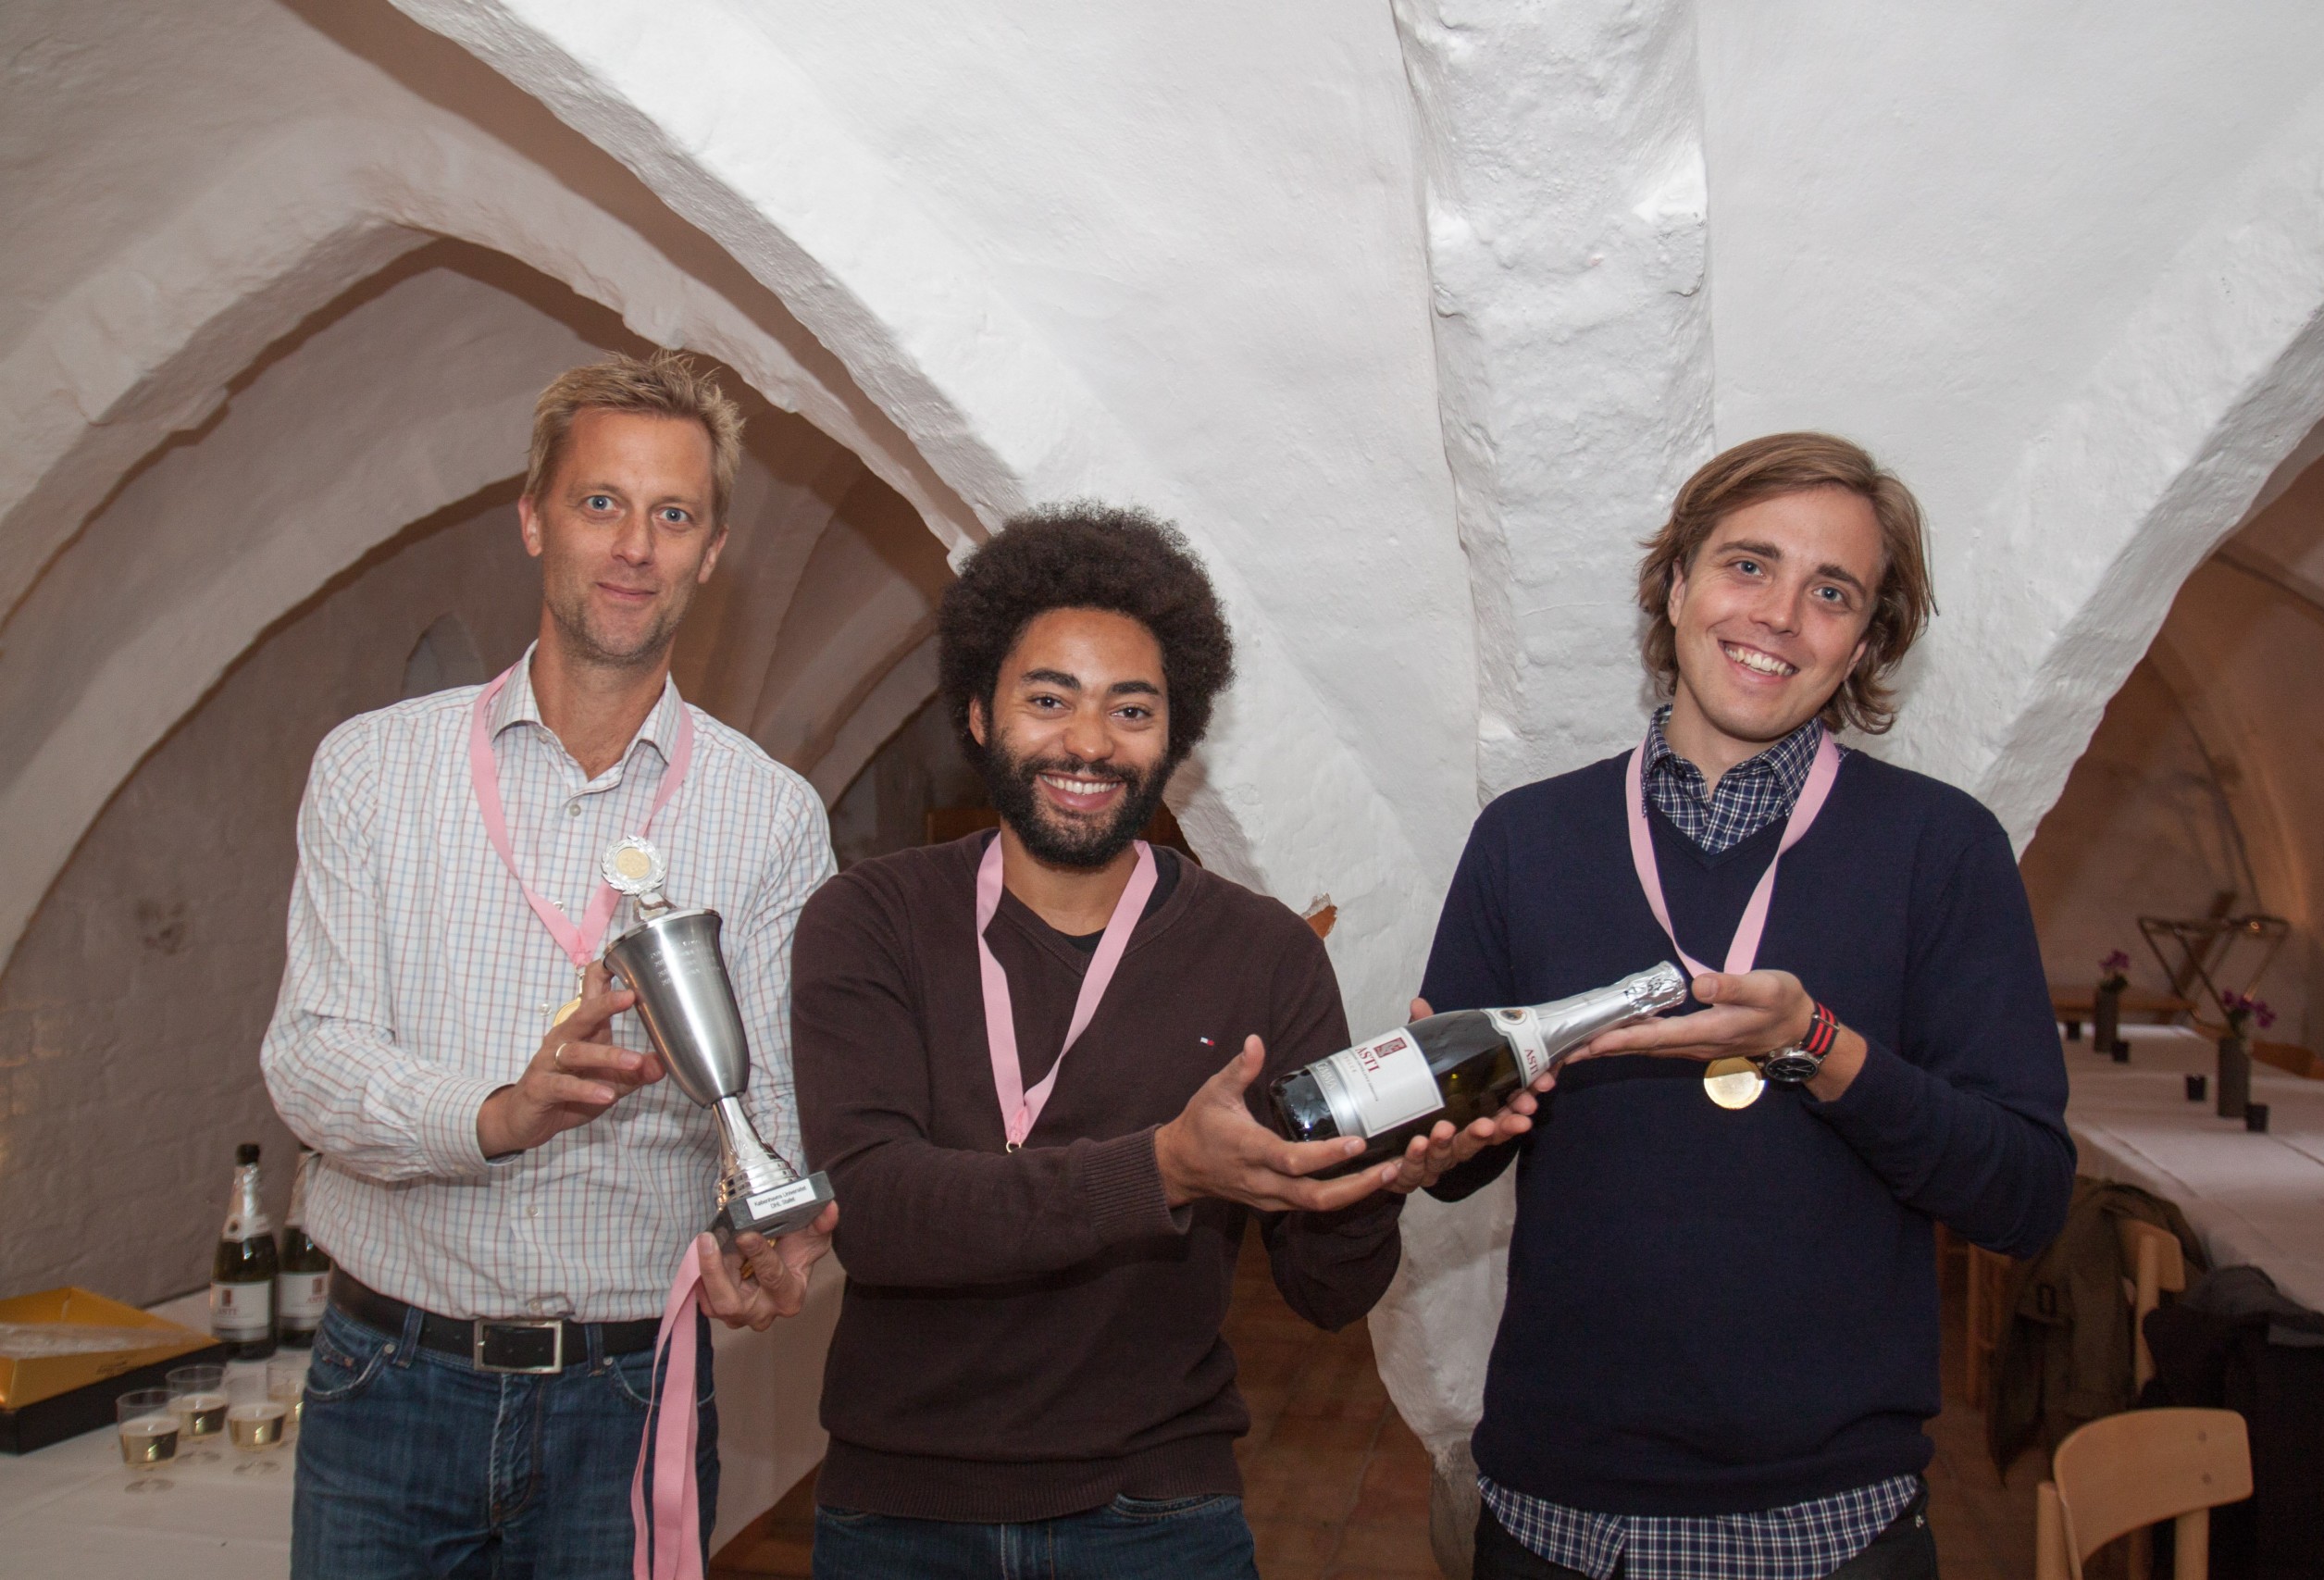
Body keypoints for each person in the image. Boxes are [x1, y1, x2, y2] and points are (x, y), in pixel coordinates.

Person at [789, 504, 1504, 1579]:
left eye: (1132, 709)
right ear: (977, 713)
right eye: (1048, 700)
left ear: (1175, 733)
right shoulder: (870, 918)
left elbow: (1325, 1295)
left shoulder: (1263, 952)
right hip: (902, 1514)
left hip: (1159, 1511)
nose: (1089, 742)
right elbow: (879, 1215)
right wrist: (1162, 1168)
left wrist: (1376, 1181)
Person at [1422, 433, 2075, 1580]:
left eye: (1831, 592)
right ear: (1677, 585)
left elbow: (2024, 1197)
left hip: (1830, 1524)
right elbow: (1454, 1166)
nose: (1778, 614)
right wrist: (1448, 1131)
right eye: (1747, 565)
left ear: (1864, 642)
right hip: (1555, 1510)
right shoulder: (1526, 839)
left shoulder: (1942, 850)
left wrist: (1815, 1047)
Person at [261, 351, 839, 1578]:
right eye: (601, 502)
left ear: (711, 551)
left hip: (627, 1394)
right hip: (388, 1381)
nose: (634, 546)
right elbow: (309, 1059)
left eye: (673, 515)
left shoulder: (770, 814)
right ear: (533, 518)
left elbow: (773, 1104)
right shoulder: (373, 768)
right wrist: (497, 1114)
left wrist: (773, 1236)